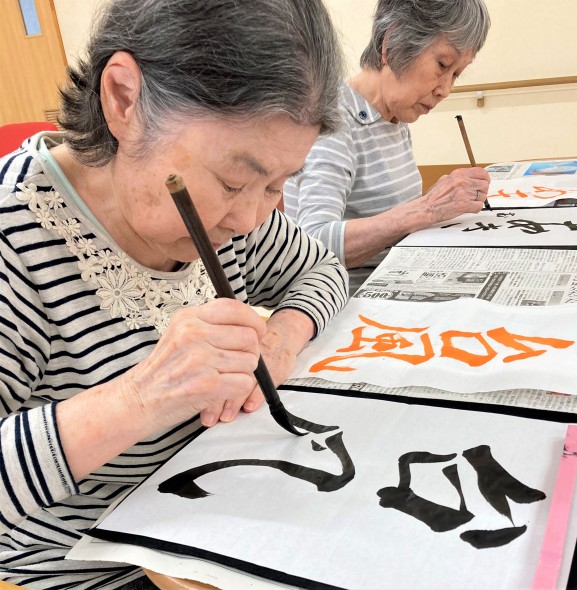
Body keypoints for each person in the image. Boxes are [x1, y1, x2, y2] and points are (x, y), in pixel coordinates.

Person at [0, 0, 349, 587]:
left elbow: (321, 269)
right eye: (233, 182)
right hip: (89, 570)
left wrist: (283, 337)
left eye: (277, 185)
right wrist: (140, 397)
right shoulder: (15, 238)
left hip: (209, 518)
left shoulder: (240, 217)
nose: (250, 218)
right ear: (123, 99)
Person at [285, 0, 492, 295]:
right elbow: (314, 242)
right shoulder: (334, 120)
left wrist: (435, 204)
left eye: (456, 74)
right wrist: (427, 208)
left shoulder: (393, 116)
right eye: (442, 65)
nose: (444, 90)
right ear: (392, 43)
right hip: (348, 303)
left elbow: (394, 214)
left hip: (399, 283)